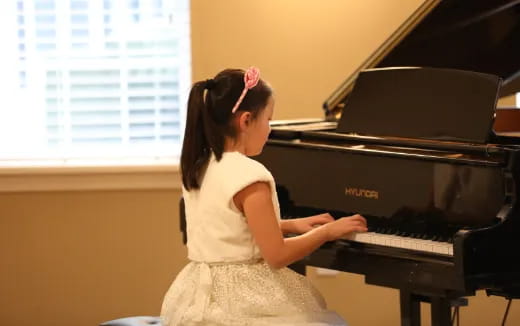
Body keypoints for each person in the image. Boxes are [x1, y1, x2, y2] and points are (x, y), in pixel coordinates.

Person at [161, 67, 368, 326]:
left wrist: (288, 225)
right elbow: (277, 255)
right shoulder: (250, 175)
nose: (269, 129)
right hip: (241, 299)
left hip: (196, 295)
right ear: (246, 120)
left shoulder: (199, 165)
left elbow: (228, 226)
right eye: (268, 119)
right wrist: (326, 232)